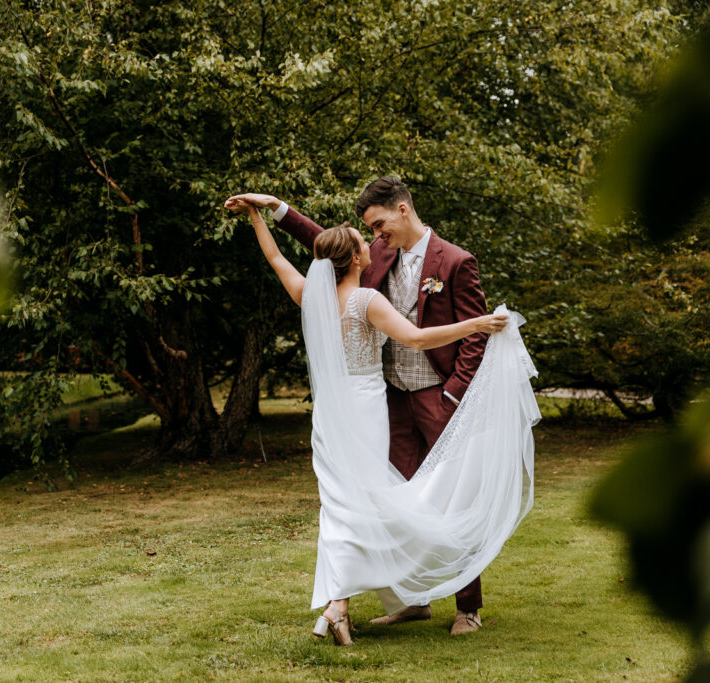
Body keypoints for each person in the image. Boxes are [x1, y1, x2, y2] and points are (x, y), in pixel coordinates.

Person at [224, 197, 539, 646]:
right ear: (354, 258)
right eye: (362, 238)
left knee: (342, 506)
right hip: (372, 409)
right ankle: (358, 603)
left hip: (333, 417)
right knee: (371, 504)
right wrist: (478, 325)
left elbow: (276, 257)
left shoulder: (311, 294)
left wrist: (260, 216)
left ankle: (355, 604)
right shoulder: (366, 296)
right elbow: (413, 336)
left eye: (374, 228)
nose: (371, 238)